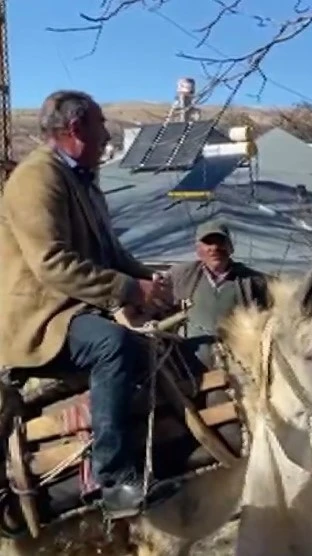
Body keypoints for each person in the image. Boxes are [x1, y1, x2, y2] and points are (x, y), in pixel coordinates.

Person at [0, 90, 179, 519]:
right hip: (40, 316)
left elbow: (111, 253)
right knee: (112, 345)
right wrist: (129, 292)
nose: (107, 134)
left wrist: (149, 283)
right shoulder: (36, 178)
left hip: (73, 308)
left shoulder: (84, 180)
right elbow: (52, 264)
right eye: (101, 125)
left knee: (159, 343)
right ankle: (113, 480)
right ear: (76, 129)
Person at [168, 220, 270, 368]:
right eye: (208, 243)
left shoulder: (253, 282)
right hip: (191, 361)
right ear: (198, 249)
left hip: (238, 362)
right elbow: (154, 295)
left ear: (231, 247)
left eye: (220, 242)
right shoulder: (182, 276)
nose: (214, 248)